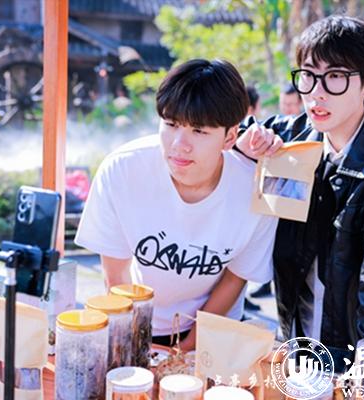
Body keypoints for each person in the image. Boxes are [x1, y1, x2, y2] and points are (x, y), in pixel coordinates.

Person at [237, 15, 364, 372]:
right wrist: (245, 143)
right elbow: (231, 132)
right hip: (299, 333)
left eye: (336, 77)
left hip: (362, 344)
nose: (317, 92)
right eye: (309, 75)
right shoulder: (294, 135)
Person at [75, 59, 278, 351]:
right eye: (171, 124)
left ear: (230, 137)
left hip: (213, 330)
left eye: (199, 131)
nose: (179, 145)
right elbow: (116, 276)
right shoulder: (123, 170)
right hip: (135, 320)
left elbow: (236, 277)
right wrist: (137, 344)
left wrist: (186, 348)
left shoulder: (256, 190)